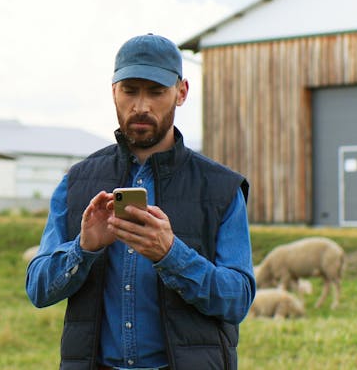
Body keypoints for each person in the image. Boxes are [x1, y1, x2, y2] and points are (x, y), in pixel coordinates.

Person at [25, 33, 255, 370]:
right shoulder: (75, 181)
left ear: (181, 92)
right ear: (113, 91)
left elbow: (237, 300)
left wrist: (171, 254)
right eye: (130, 91)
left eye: (156, 91)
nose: (141, 106)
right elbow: (38, 290)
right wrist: (83, 249)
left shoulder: (221, 188)